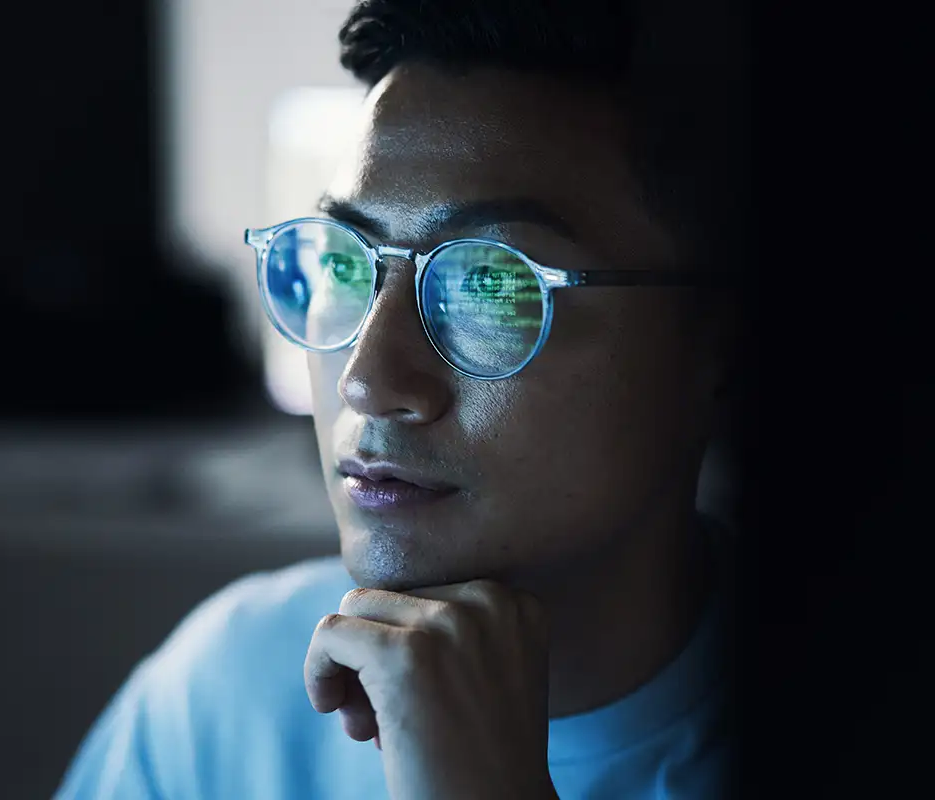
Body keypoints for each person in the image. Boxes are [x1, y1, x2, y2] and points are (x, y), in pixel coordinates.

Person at [57, 0, 747, 797]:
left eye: (490, 285)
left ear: (721, 344)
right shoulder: (229, 697)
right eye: (344, 265)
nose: (367, 380)